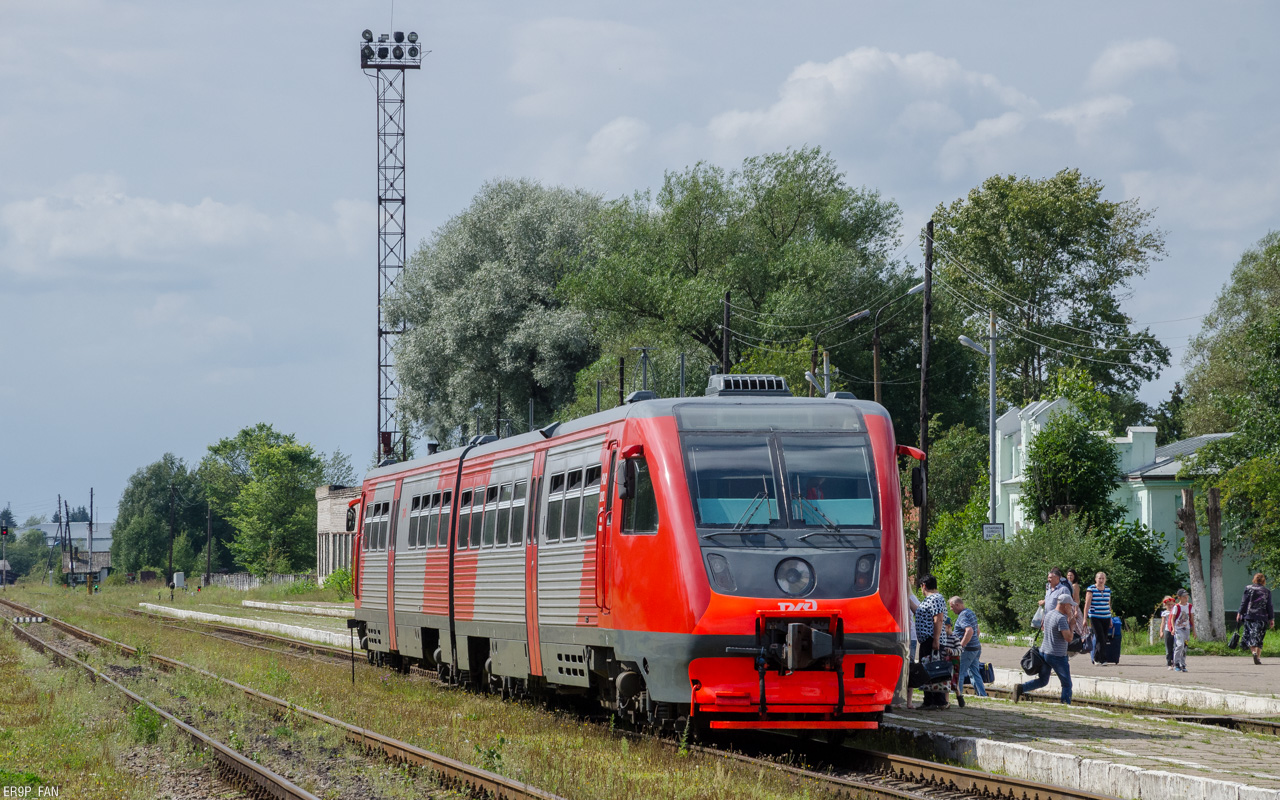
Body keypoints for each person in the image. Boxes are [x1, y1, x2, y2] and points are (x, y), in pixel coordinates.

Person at [1013, 595, 1074, 705]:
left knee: (1043, 681)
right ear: (1065, 605)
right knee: (1067, 684)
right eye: (1070, 605)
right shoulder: (1061, 618)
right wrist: (1072, 623)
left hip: (1044, 652)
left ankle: (1021, 688)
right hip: (1057, 655)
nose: (1071, 608)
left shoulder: (1049, 614)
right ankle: (1065, 704)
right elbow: (1068, 638)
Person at [914, 575, 951, 710]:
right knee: (926, 669)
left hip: (931, 639)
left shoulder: (935, 598)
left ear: (924, 585)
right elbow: (919, 611)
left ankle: (937, 701)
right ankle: (929, 700)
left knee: (934, 669)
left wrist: (935, 640)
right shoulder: (929, 600)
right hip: (927, 640)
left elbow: (938, 619)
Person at [950, 596, 987, 696]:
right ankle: (982, 695)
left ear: (957, 605)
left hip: (967, 650)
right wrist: (973, 641)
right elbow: (977, 630)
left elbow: (969, 630)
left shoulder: (963, 615)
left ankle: (957, 694)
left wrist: (961, 646)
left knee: (959, 672)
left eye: (952, 607)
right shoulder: (970, 612)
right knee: (975, 673)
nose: (951, 609)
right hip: (975, 648)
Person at [1238, 573, 1275, 666]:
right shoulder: (1267, 591)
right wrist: (1271, 619)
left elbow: (1244, 602)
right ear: (1263, 581)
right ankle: (1258, 657)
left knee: (1250, 635)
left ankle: (1254, 653)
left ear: (1254, 579)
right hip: (1262, 617)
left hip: (1250, 616)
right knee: (1259, 637)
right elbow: (1269, 606)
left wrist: (1239, 613)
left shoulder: (1248, 588)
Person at [1085, 572, 1114, 665]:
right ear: (1095, 579)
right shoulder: (1091, 589)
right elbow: (1087, 604)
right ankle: (1101, 659)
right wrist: (1084, 618)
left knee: (1104, 637)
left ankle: (1097, 658)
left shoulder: (1108, 590)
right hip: (1095, 616)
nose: (1101, 580)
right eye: (1099, 578)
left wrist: (1110, 618)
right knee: (1099, 636)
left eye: (1103, 578)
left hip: (1105, 616)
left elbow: (1108, 605)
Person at [1170, 588, 1194, 672]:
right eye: (1184, 596)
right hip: (1178, 629)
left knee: (1185, 647)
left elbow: (1191, 619)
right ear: (1179, 597)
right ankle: (1176, 663)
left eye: (1187, 596)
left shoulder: (1190, 606)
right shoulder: (1176, 607)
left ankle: (1183, 664)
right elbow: (1172, 619)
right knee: (1180, 645)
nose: (1186, 597)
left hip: (1186, 629)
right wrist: (1173, 628)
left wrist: (1194, 631)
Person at [906, 591, 921, 709]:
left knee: (910, 667)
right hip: (898, 633)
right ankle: (896, 699)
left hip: (911, 636)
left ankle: (909, 701)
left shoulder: (911, 597)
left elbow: (920, 612)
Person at [1160, 596, 1176, 668]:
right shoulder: (1165, 613)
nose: (1170, 606)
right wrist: (1161, 631)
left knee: (1176, 646)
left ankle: (1176, 662)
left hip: (1175, 630)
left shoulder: (1175, 612)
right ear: (1165, 605)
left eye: (1171, 604)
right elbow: (1163, 623)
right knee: (1168, 647)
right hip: (1167, 630)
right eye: (1168, 604)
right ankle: (1169, 662)